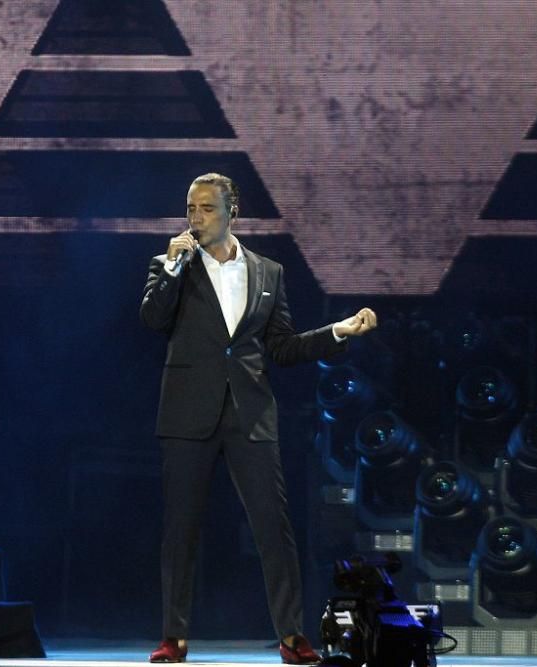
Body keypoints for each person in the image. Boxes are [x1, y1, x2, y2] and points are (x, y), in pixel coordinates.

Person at [139, 173, 378, 664]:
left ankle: (292, 636)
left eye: (206, 208)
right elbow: (152, 319)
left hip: (250, 412)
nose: (196, 218)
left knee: (274, 526)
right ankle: (173, 636)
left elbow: (282, 347)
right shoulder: (170, 265)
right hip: (187, 412)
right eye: (190, 209)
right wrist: (172, 269)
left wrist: (337, 331)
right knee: (181, 528)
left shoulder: (268, 272)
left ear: (233, 211)